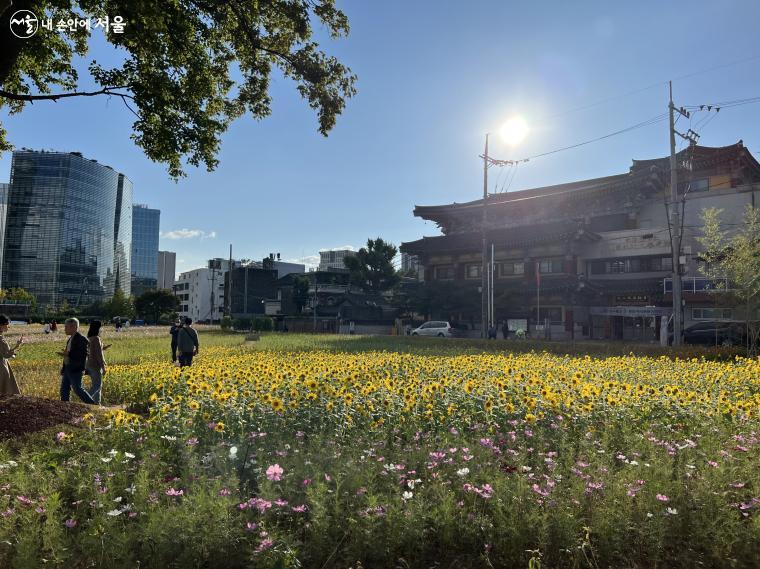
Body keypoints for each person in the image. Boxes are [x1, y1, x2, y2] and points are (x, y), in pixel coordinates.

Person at [58, 318, 97, 404]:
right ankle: (65, 407)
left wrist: (68, 355)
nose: (64, 329)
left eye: (66, 327)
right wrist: (64, 367)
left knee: (78, 389)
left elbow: (83, 355)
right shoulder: (70, 339)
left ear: (74, 327)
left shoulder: (81, 339)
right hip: (68, 367)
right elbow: (68, 353)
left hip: (76, 368)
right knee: (64, 389)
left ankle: (93, 405)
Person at [85, 320, 110, 404]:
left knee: (97, 385)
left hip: (88, 364)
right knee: (97, 386)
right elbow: (99, 354)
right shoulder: (96, 338)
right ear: (98, 328)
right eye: (101, 328)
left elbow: (93, 351)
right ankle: (85, 398)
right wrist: (103, 366)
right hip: (95, 365)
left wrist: (103, 348)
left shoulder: (89, 338)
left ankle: (97, 403)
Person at [0, 314, 23, 395]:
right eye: (7, 325)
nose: (8, 327)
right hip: (1, 367)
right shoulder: (0, 339)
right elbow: (6, 354)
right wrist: (17, 346)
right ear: (1, 325)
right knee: (6, 391)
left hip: (3, 364)